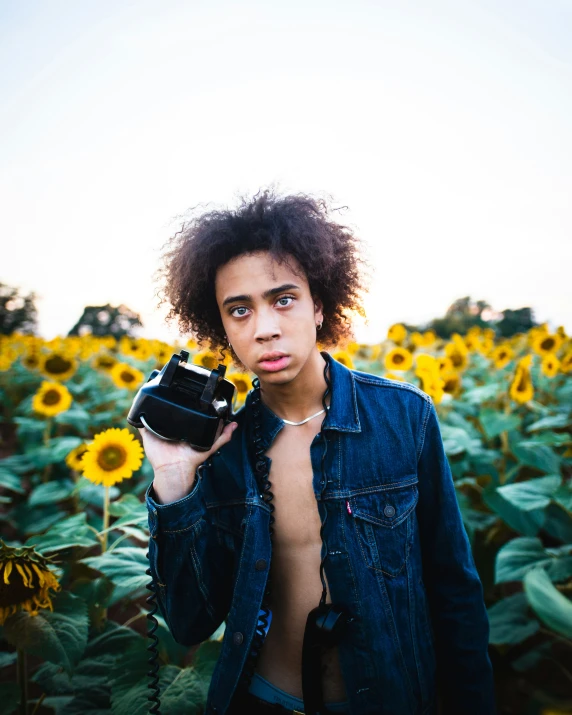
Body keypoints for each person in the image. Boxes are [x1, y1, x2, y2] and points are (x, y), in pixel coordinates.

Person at [140, 189, 496, 715]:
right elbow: (189, 622)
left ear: (319, 304)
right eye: (240, 310)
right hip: (263, 700)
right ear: (222, 329)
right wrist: (174, 483)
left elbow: (455, 591)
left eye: (283, 299)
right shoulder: (221, 448)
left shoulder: (404, 418)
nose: (265, 328)